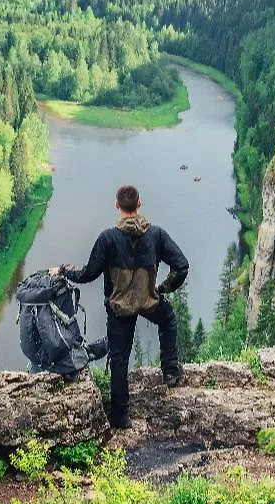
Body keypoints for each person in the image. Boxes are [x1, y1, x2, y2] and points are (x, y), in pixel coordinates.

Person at [50, 184, 188, 429]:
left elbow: (88, 274)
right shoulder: (156, 235)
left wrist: (62, 270)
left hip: (119, 308)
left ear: (117, 206)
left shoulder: (108, 239)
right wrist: (163, 288)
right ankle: (170, 371)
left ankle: (121, 417)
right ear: (139, 204)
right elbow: (181, 266)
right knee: (167, 320)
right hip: (149, 301)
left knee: (119, 359)